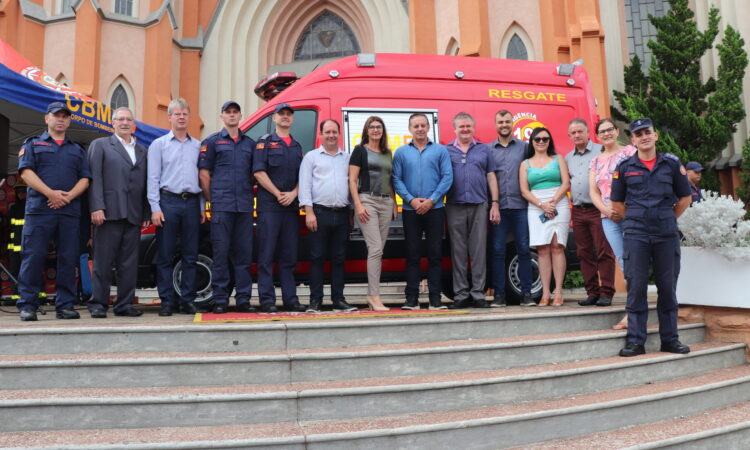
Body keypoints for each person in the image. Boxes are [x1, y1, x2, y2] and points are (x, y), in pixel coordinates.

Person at [611, 117, 692, 357]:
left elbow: (685, 197)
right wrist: (637, 219)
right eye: (639, 134)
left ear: (655, 135)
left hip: (665, 233)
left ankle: (670, 339)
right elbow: (616, 202)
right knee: (636, 287)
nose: (644, 136)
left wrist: (666, 218)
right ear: (633, 140)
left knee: (667, 287)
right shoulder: (624, 167)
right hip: (636, 233)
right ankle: (636, 341)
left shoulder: (671, 164)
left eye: (648, 132)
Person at [16, 101, 91, 321]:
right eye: (56, 115)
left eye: (65, 116)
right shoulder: (33, 144)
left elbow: (85, 179)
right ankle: (28, 304)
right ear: (46, 118)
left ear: (69, 121)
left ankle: (65, 305)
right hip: (40, 211)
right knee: (33, 256)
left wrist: (67, 197)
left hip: (69, 212)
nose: (60, 119)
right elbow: (26, 173)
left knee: (68, 259)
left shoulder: (77, 149)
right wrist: (51, 194)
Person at [87, 106, 150, 318]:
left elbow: (145, 183)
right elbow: (94, 177)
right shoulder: (101, 145)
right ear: (113, 123)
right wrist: (97, 206)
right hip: (108, 213)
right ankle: (98, 303)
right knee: (103, 263)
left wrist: (145, 212)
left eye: (128, 119)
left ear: (133, 124)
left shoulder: (142, 150)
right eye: (120, 119)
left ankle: (124, 304)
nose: (124, 122)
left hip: (133, 214)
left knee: (128, 264)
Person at [147, 98, 205, 317]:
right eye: (177, 114)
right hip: (168, 202)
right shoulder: (158, 145)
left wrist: (201, 206)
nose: (181, 117)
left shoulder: (198, 146)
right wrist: (155, 207)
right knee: (166, 255)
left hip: (191, 203)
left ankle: (187, 300)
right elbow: (152, 178)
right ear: (169, 117)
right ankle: (167, 301)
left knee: (191, 255)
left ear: (189, 117)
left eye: (184, 114)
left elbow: (201, 179)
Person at [198, 101, 257, 314]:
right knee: (220, 255)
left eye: (235, 112)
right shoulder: (212, 142)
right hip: (222, 207)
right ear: (221, 116)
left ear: (240, 115)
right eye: (227, 112)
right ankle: (220, 299)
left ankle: (243, 299)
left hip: (243, 207)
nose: (232, 115)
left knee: (243, 256)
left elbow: (254, 174)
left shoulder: (250, 144)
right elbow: (204, 174)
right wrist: (212, 199)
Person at [392, 113, 453, 310]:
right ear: (410, 129)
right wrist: (410, 199)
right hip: (410, 210)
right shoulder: (401, 153)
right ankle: (412, 299)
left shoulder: (440, 151)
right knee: (412, 255)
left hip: (435, 209)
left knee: (435, 254)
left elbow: (447, 177)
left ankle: (435, 299)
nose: (419, 129)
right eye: (415, 126)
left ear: (428, 127)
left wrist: (432, 199)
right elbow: (396, 179)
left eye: (423, 125)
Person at [253, 103, 306, 313]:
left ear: (292, 119)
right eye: (281, 114)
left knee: (289, 256)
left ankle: (290, 299)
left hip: (290, 208)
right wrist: (277, 193)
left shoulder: (296, 146)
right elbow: (258, 172)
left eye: (288, 114)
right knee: (266, 256)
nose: (285, 117)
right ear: (274, 118)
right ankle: (267, 300)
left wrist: (294, 193)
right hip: (269, 208)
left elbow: (303, 177)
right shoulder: (264, 143)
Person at [300, 119, 356, 312]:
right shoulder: (311, 157)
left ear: (339, 134)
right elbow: (305, 185)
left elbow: (351, 186)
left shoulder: (347, 158)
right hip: (319, 213)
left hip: (341, 215)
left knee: (339, 259)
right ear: (321, 135)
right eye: (327, 132)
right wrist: (309, 212)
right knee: (317, 258)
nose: (331, 135)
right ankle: (315, 301)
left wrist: (350, 214)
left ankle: (338, 300)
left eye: (334, 132)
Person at [445, 112, 500, 309]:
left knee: (478, 251)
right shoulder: (447, 151)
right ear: (455, 129)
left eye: (468, 126)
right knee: (458, 252)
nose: (465, 129)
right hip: (454, 206)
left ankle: (478, 294)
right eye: (461, 126)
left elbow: (491, 177)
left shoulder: (484, 150)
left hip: (479, 205)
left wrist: (495, 203)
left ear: (473, 128)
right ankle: (460, 295)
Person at [589, 118, 637, 330]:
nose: (606, 133)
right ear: (597, 136)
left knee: (634, 260)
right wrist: (606, 210)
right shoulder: (596, 161)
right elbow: (593, 192)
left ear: (617, 131)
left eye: (610, 129)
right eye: (602, 131)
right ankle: (634, 308)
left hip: (630, 213)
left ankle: (634, 310)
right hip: (608, 218)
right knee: (624, 260)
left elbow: (637, 181)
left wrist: (621, 208)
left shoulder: (629, 152)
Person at [565, 118, 616, 308]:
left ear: (588, 133)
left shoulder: (600, 151)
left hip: (598, 209)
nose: (577, 135)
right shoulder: (568, 157)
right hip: (578, 211)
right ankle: (592, 292)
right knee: (584, 253)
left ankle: (607, 292)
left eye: (580, 131)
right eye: (573, 133)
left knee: (604, 251)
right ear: (569, 136)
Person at [349, 116, 397, 311]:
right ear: (366, 130)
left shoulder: (387, 153)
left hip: (386, 202)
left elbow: (390, 179)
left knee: (379, 250)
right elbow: (352, 180)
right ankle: (373, 295)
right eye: (372, 127)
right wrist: (358, 205)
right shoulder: (360, 151)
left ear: (382, 130)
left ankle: (373, 294)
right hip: (367, 200)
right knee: (375, 248)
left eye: (379, 127)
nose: (376, 130)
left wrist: (394, 203)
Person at [519, 127, 571, 306]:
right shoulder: (525, 164)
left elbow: (566, 183)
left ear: (550, 141)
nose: (541, 142)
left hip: (559, 204)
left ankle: (558, 292)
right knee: (542, 249)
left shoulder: (558, 159)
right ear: (532, 141)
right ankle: (546, 293)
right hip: (536, 206)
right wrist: (542, 205)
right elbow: (524, 190)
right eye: (537, 139)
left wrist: (553, 202)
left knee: (557, 247)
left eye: (545, 139)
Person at [489, 110, 534, 307]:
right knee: (497, 251)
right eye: (501, 122)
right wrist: (493, 204)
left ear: (512, 124)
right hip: (499, 208)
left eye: (507, 121)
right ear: (496, 124)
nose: (504, 124)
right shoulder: (488, 150)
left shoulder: (524, 148)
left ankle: (527, 294)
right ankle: (499, 295)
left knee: (524, 250)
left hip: (521, 207)